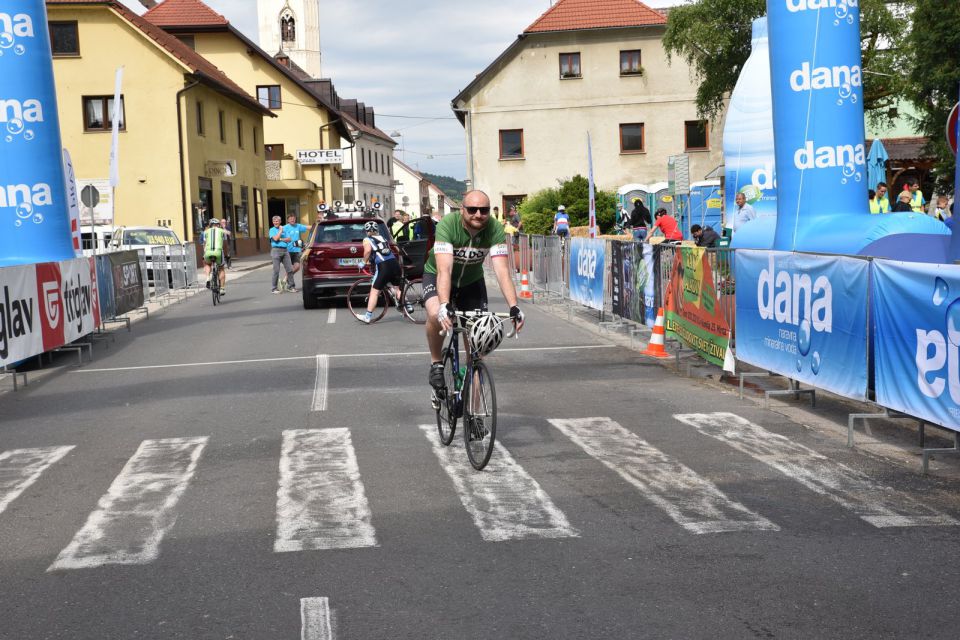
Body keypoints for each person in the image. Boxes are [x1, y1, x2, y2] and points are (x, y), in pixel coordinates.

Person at [423, 189, 525, 392]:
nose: (478, 214)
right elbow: (445, 269)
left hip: (472, 282)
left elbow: (502, 270)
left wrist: (514, 306)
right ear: (462, 210)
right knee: (436, 314)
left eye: (484, 210)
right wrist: (444, 304)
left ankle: (476, 416)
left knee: (478, 349)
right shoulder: (448, 224)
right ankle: (436, 363)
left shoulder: (494, 229)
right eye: (472, 209)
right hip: (438, 277)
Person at [359, 221, 403, 323]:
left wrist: (363, 262)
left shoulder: (367, 239)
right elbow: (382, 251)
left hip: (384, 266)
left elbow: (368, 251)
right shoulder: (383, 238)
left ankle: (367, 316)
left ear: (366, 231)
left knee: (374, 292)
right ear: (377, 230)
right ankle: (407, 306)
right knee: (397, 288)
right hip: (394, 264)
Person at [269, 215, 295, 293]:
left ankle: (290, 286)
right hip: (276, 250)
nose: (276, 222)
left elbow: (289, 239)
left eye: (277, 221)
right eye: (274, 221)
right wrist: (280, 232)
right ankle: (274, 288)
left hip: (285, 250)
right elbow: (275, 239)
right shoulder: (272, 230)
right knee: (276, 270)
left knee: (290, 269)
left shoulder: (284, 229)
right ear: (273, 222)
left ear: (280, 222)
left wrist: (281, 238)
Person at [202, 218, 227, 295]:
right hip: (218, 252)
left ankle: (207, 278)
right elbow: (225, 245)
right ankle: (222, 289)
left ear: (210, 225)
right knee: (221, 268)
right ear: (218, 225)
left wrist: (204, 254)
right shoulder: (222, 231)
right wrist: (226, 254)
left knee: (207, 264)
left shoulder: (205, 232)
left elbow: (204, 244)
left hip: (208, 252)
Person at [284, 213, 309, 289]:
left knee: (297, 267)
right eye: (291, 218)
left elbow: (309, 227)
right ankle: (290, 284)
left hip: (296, 250)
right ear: (288, 220)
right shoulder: (284, 228)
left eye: (294, 218)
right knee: (289, 268)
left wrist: (318, 224)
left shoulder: (298, 226)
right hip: (287, 250)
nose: (292, 219)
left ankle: (286, 278)